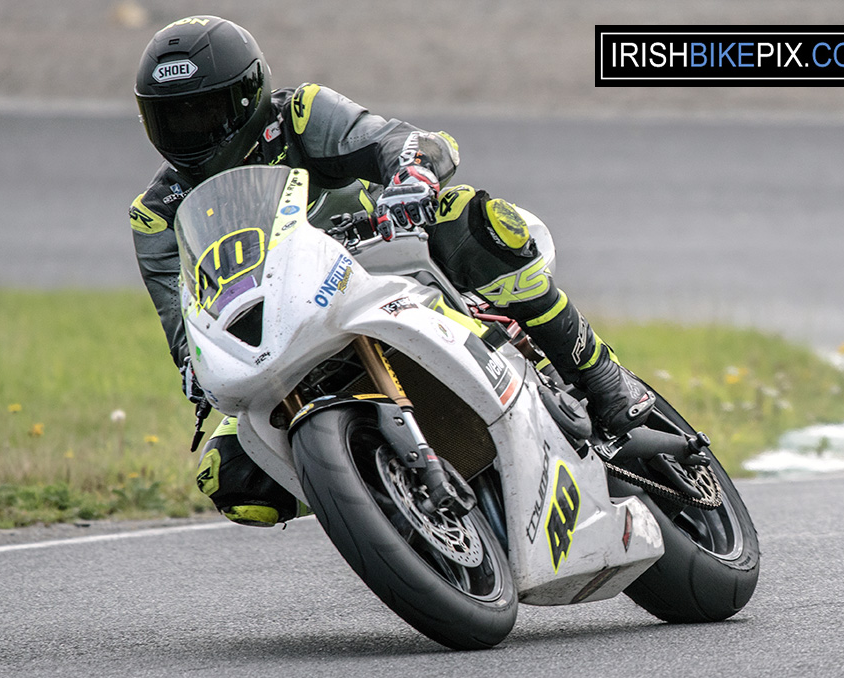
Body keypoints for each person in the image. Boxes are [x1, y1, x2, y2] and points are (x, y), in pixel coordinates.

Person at [130, 16, 654, 527]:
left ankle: (600, 375)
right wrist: (195, 368)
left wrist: (411, 174)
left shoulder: (301, 115)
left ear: (248, 97)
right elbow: (182, 323)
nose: (188, 132)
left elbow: (394, 140)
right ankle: (386, 506)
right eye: (171, 118)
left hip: (383, 265)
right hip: (283, 326)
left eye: (202, 112)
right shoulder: (157, 213)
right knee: (235, 479)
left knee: (477, 222)